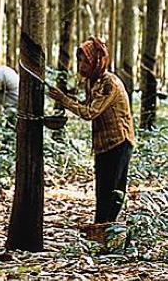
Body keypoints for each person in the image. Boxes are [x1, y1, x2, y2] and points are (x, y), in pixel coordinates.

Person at [48, 36, 135, 224]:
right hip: (103, 144)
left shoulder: (109, 83)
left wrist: (63, 100)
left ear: (97, 61)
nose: (81, 65)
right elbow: (87, 104)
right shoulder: (91, 81)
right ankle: (101, 230)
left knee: (113, 191)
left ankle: (107, 230)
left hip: (119, 142)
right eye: (79, 60)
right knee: (102, 191)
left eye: (86, 61)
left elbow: (89, 113)